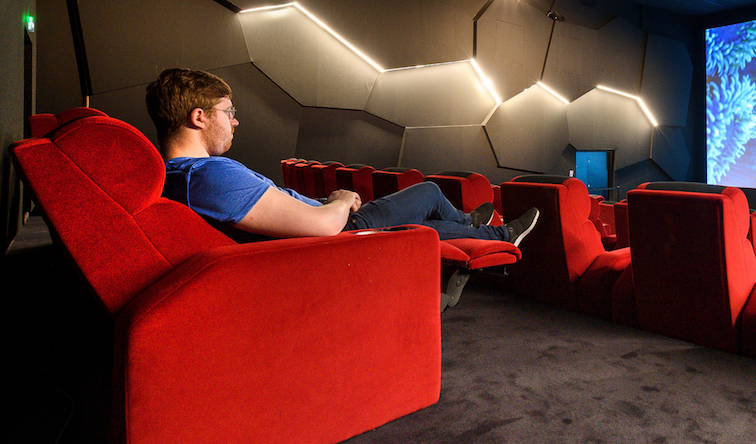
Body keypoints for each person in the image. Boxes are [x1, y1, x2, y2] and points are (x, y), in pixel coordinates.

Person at [146, 68, 539, 244]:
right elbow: (323, 227)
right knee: (430, 192)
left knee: (421, 222)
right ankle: (486, 229)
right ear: (199, 117)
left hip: (327, 225)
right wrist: (338, 199)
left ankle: (485, 229)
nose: (235, 121)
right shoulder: (209, 175)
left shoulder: (178, 175)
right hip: (340, 232)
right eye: (228, 111)